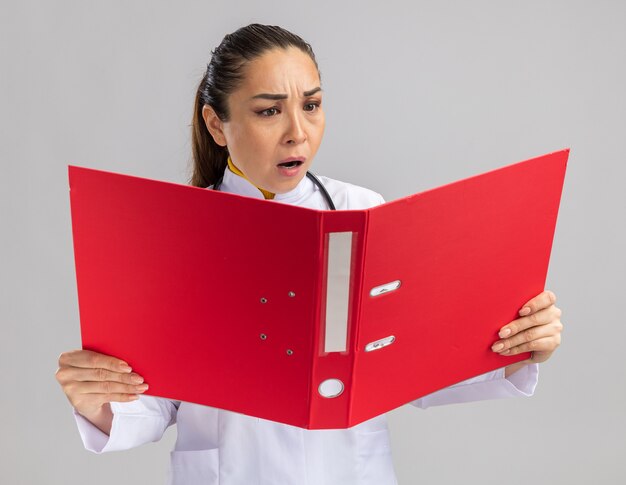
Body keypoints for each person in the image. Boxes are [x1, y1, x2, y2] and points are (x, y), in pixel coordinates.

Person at [56, 24, 564, 485]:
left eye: (312, 105)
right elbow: (155, 402)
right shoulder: (175, 233)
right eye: (269, 110)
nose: (298, 131)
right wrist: (97, 403)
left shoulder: (363, 212)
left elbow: (404, 366)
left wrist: (517, 343)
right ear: (217, 124)